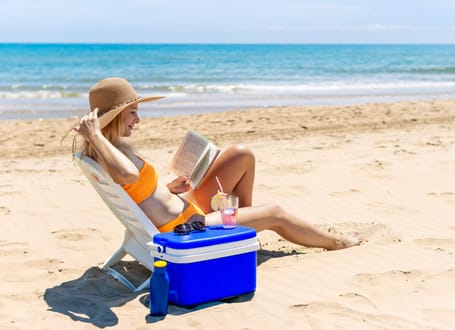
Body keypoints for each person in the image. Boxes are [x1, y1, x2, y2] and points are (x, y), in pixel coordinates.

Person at [73, 77, 362, 250]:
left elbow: (139, 191)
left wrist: (170, 189)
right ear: (112, 119)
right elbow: (126, 174)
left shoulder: (110, 148)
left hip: (184, 207)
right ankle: (337, 243)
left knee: (240, 154)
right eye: (133, 112)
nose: (138, 119)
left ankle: (246, 225)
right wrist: (96, 134)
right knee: (275, 212)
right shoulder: (105, 149)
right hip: (184, 227)